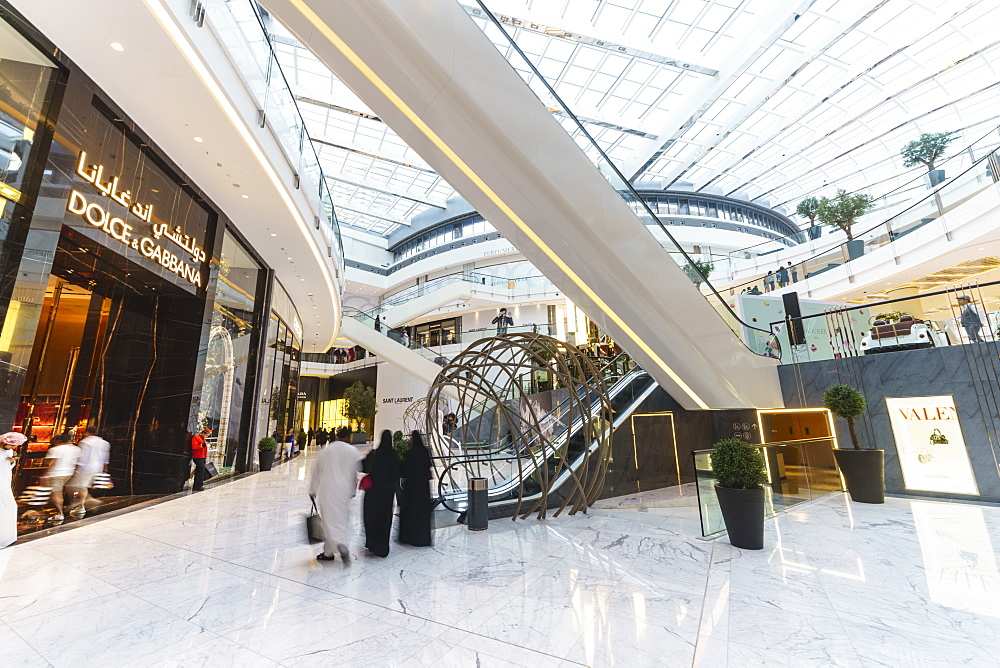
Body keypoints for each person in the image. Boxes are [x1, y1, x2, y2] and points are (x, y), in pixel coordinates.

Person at [310, 426, 361, 563]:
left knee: (328, 521)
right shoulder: (353, 451)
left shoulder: (327, 450)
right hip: (343, 490)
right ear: (349, 437)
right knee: (341, 519)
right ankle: (330, 551)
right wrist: (352, 491)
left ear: (337, 436)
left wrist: (313, 489)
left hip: (328, 489)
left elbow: (317, 471)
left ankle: (337, 545)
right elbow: (354, 474)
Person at [363, 430, 400, 558]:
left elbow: (363, 467)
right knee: (385, 518)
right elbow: (397, 472)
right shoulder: (394, 454)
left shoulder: (375, 454)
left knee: (372, 517)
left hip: (374, 492)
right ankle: (382, 546)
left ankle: (372, 543)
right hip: (388, 493)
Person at [398, 431, 432, 547]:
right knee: (422, 512)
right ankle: (422, 538)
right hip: (423, 487)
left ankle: (410, 537)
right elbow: (428, 465)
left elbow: (405, 469)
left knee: (411, 511)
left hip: (412, 486)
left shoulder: (411, 452)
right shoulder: (425, 451)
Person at [67, 428, 110, 515]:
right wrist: (105, 469)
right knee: (81, 486)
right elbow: (105, 458)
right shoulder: (104, 443)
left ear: (88, 433)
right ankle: (82, 503)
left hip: (85, 468)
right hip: (97, 468)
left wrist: (76, 469)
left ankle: (83, 505)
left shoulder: (85, 442)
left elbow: (83, 457)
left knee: (76, 486)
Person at [43, 433, 80, 520]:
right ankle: (71, 508)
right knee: (69, 492)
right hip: (70, 473)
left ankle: (60, 513)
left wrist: (45, 475)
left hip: (56, 474)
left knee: (57, 494)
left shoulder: (55, 450)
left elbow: (51, 463)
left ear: (59, 440)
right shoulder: (76, 449)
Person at [1, 432, 26, 548]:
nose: (13, 448)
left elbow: (8, 467)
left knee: (10, 507)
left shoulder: (9, 452)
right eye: (11, 445)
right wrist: (8, 462)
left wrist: (12, 462)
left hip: (5, 482)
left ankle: (8, 537)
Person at [190, 427, 211, 492]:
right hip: (197, 457)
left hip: (202, 457)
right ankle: (199, 485)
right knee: (201, 471)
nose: (206, 436)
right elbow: (194, 446)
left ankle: (196, 486)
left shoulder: (203, 439)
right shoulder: (196, 438)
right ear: (203, 433)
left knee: (199, 471)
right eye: (206, 435)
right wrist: (202, 445)